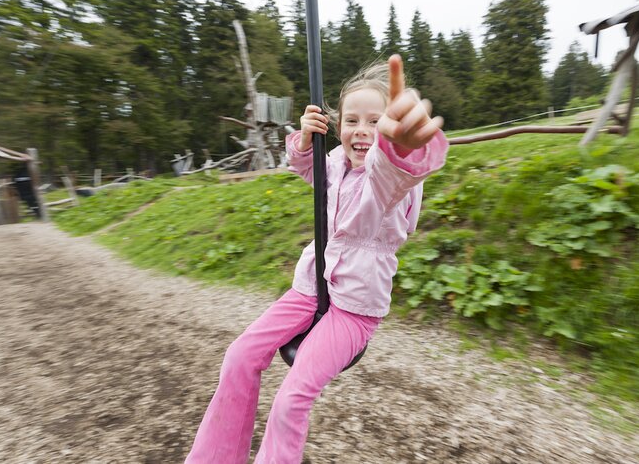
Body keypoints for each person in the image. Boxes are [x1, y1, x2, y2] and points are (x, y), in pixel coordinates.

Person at [185, 54, 449, 463]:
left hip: (354, 307)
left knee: (291, 400)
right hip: (312, 288)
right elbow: (308, 167)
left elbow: (398, 168)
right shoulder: (335, 164)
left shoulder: (387, 176)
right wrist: (306, 141)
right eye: (352, 121)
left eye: (375, 122)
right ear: (337, 125)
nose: (363, 132)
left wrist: (402, 145)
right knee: (239, 356)